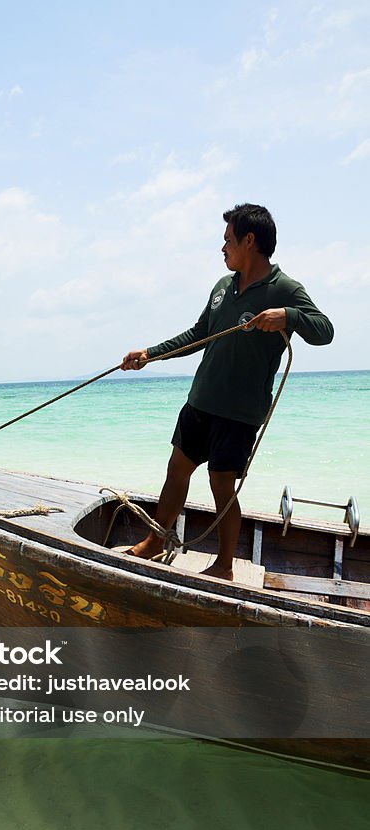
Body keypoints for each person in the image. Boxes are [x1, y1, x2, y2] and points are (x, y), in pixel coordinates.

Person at [121, 203, 333, 580]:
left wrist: (289, 316)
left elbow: (324, 330)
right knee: (176, 470)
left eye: (228, 240)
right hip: (201, 400)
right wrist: (149, 355)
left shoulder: (285, 289)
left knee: (221, 484)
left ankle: (224, 566)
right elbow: (198, 335)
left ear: (249, 241)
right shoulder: (223, 287)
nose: (222, 248)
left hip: (239, 413)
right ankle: (155, 541)